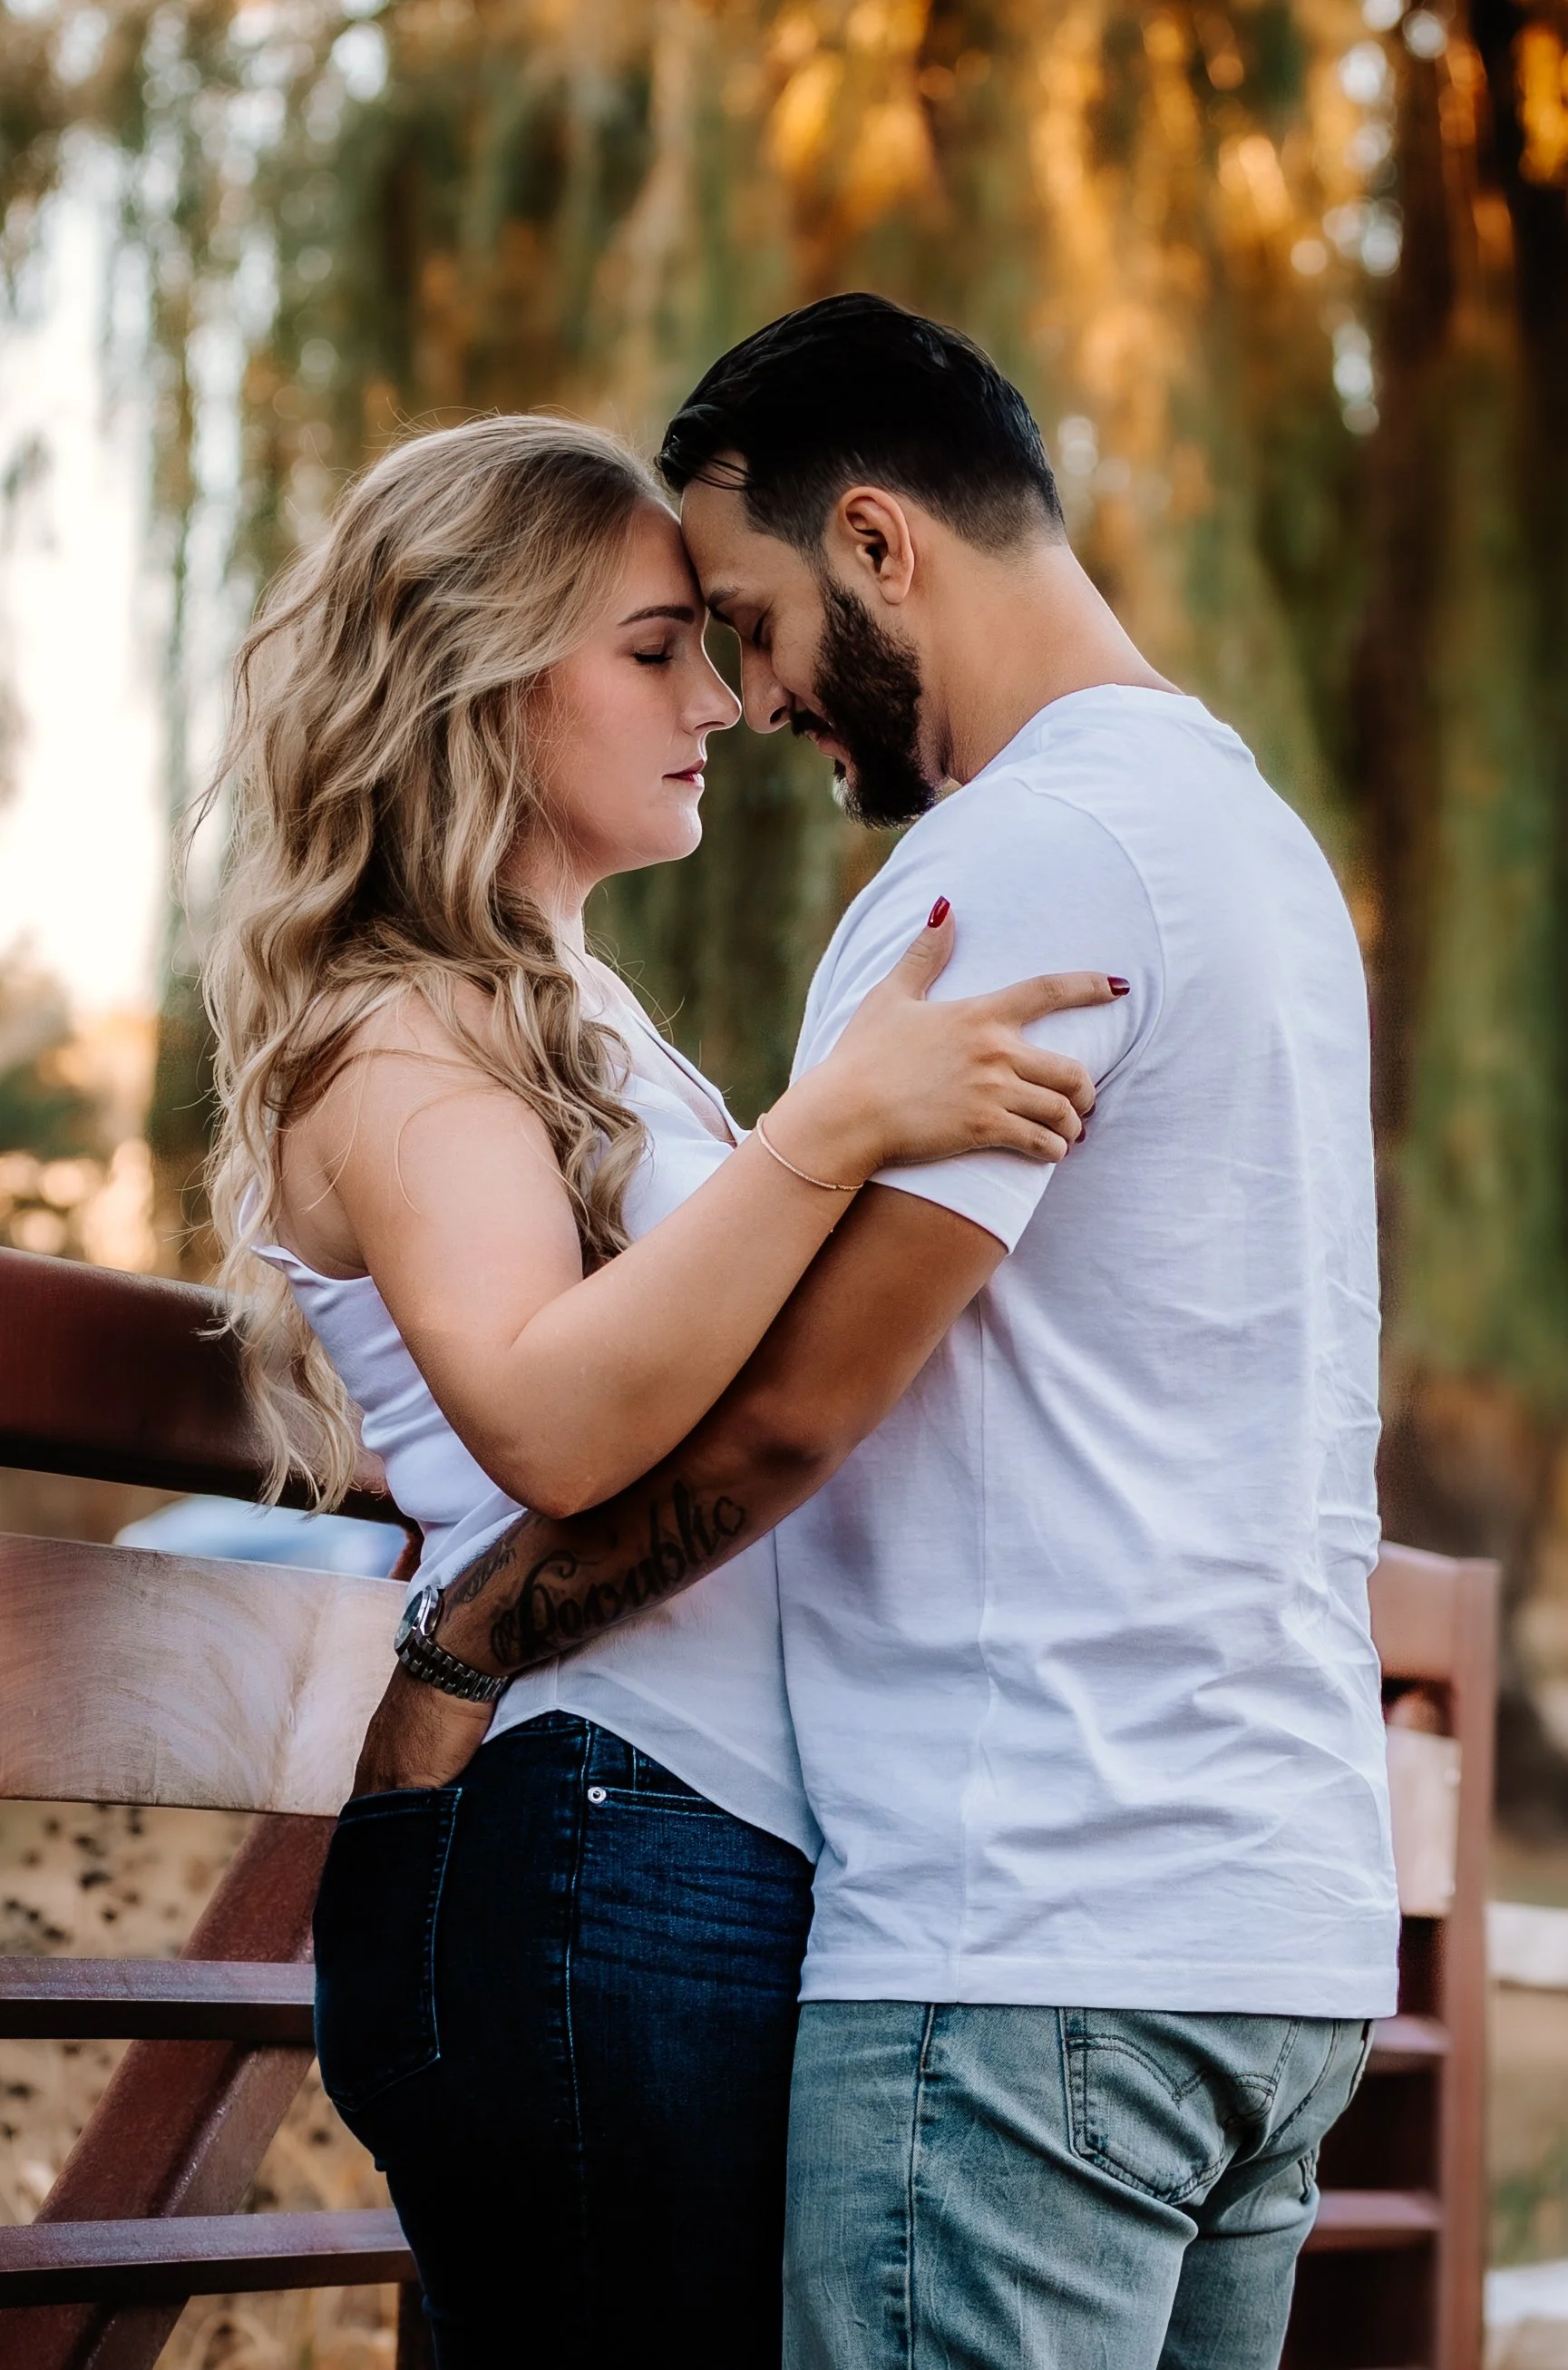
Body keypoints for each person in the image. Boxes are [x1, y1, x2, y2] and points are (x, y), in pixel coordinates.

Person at [396, 297, 1398, 2370]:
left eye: (743, 621)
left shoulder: (1016, 858)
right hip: (1266, 1937)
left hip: (1032, 1943)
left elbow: (781, 1424)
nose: (754, 702)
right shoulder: (1251, 845)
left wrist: (468, 1643)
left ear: (876, 545)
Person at [199, 409, 1119, 2369]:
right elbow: (547, 1416)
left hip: (684, 1838)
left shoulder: (562, 998)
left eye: (706, 640)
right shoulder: (392, 1021)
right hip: (593, 1835)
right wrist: (830, 1127)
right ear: (480, 671)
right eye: (649, 647)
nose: (715, 693)